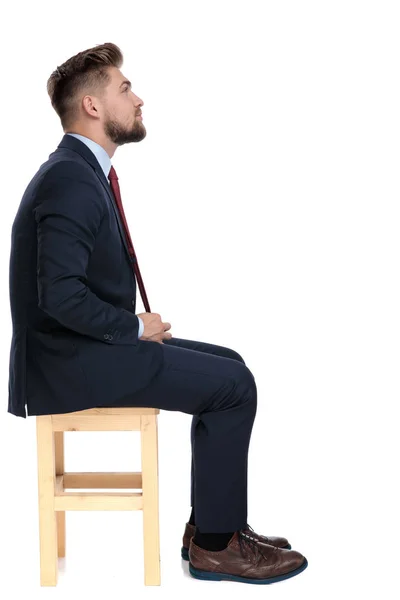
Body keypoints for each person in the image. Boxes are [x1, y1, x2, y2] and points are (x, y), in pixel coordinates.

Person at [7, 42, 308, 585]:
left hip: (81, 351)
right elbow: (58, 295)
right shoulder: (70, 177)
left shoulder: (80, 170)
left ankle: (214, 528)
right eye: (124, 88)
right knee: (233, 386)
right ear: (93, 107)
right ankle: (218, 546)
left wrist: (129, 330)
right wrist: (132, 327)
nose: (138, 98)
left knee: (231, 364)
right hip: (68, 363)